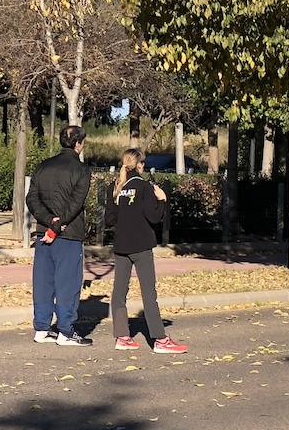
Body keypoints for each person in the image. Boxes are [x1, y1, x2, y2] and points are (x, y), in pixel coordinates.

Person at [105, 148, 188, 354]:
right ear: (140, 164)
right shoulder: (145, 187)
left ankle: (122, 336)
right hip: (141, 245)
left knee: (119, 292)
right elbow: (153, 217)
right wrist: (162, 200)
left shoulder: (116, 187)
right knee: (148, 293)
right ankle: (159, 339)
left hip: (121, 245)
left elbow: (110, 219)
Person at [27, 125, 93, 346]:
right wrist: (58, 224)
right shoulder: (82, 170)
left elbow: (32, 199)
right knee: (68, 284)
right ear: (78, 144)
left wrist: (48, 221)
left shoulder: (42, 166)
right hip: (68, 234)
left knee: (43, 282)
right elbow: (76, 203)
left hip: (43, 233)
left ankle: (42, 328)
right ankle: (65, 330)